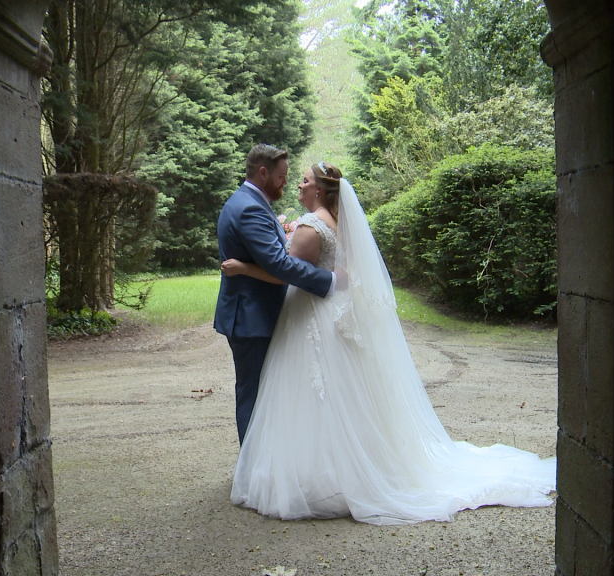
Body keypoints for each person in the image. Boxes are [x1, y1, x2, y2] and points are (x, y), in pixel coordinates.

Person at [221, 162, 556, 525]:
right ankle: (354, 465)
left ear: (319, 190)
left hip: (311, 315)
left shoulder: (309, 226)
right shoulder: (336, 222)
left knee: (312, 395)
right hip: (333, 313)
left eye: (304, 180)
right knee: (344, 394)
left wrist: (242, 268)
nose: (298, 185)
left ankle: (317, 477)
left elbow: (282, 271)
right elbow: (337, 271)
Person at [214, 144, 335, 445]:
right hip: (251, 317)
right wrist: (329, 280)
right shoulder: (250, 208)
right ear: (263, 172)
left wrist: (244, 267)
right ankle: (253, 475)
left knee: (262, 393)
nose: (286, 182)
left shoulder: (248, 202)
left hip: (254, 313)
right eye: (281, 176)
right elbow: (279, 264)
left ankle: (259, 470)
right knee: (254, 396)